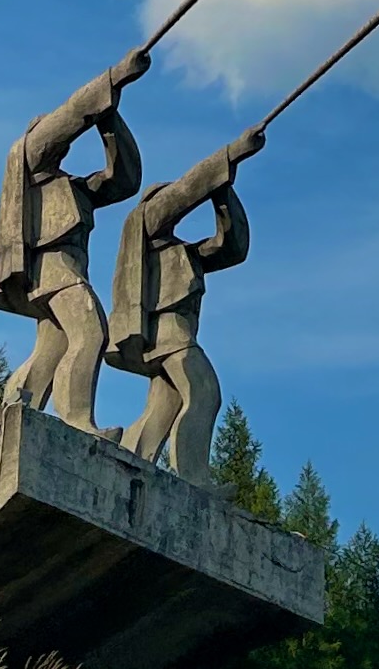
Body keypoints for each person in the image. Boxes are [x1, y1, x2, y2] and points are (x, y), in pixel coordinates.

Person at [0, 51, 149, 429]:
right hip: (52, 268)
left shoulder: (74, 189)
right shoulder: (31, 164)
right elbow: (71, 116)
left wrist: (108, 119)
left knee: (54, 345)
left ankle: (15, 405)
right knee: (90, 331)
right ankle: (77, 420)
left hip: (70, 268)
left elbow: (124, 180)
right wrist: (112, 81)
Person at [106, 128, 264, 485]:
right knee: (204, 392)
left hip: (177, 333)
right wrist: (229, 157)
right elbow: (183, 194)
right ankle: (194, 477)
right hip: (168, 332)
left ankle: (131, 455)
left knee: (166, 405)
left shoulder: (184, 255)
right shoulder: (148, 226)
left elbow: (232, 246)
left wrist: (221, 193)